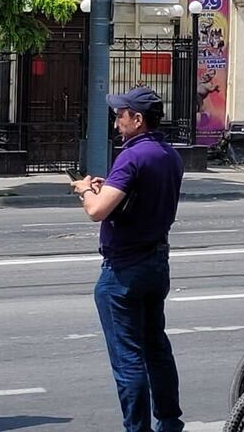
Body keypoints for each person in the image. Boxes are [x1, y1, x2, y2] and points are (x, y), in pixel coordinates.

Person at [71, 87, 185, 432]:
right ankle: (169, 422)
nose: (116, 120)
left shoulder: (132, 157)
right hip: (156, 263)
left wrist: (86, 190)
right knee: (156, 348)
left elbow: (96, 210)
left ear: (138, 119)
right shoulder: (169, 155)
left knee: (128, 359)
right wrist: (110, 188)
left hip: (123, 271)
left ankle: (137, 428)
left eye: (121, 115)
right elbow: (140, 196)